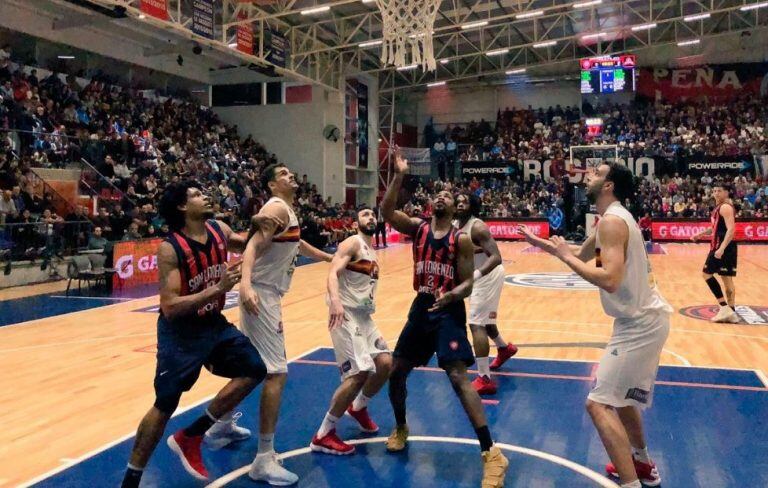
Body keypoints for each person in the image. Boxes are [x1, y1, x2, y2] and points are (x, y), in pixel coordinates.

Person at [520, 162, 671, 488]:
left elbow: (610, 280)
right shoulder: (609, 220)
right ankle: (642, 464)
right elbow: (578, 254)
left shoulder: (613, 223)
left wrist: (567, 256)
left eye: (597, 173)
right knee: (625, 399)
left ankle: (631, 483)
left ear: (608, 186)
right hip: (640, 320)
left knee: (598, 403)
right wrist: (545, 244)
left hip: (640, 324)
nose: (588, 175)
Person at [121, 181, 268, 487]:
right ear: (182, 207)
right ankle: (131, 480)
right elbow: (171, 306)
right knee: (166, 403)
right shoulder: (170, 248)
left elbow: (245, 245)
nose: (206, 196)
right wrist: (218, 288)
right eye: (198, 195)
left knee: (254, 368)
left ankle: (192, 434)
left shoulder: (220, 229)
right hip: (180, 333)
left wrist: (260, 224)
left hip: (213, 324)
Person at [381, 150, 508, 488]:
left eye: (447, 196)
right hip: (421, 306)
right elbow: (386, 212)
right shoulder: (418, 227)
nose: (441, 197)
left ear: (454, 209)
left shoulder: (461, 239)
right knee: (396, 373)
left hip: (448, 310)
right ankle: (401, 426)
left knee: (457, 376)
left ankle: (491, 454)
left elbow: (467, 284)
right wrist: (398, 175)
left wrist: (453, 294)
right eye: (437, 194)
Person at [239, 163, 333, 485]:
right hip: (262, 295)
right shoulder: (277, 207)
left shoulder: (286, 210)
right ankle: (264, 458)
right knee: (276, 372)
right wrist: (246, 284)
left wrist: (326, 257)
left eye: (292, 172)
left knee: (248, 365)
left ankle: (222, 423)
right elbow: (252, 245)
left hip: (266, 293)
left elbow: (296, 244)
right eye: (283, 174)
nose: (291, 175)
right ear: (271, 185)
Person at [310, 206, 393, 455]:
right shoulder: (352, 243)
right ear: (356, 221)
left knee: (385, 362)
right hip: (345, 315)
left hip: (364, 317)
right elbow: (333, 271)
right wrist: (335, 300)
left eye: (373, 215)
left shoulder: (372, 251)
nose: (371, 218)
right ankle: (323, 434)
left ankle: (358, 407)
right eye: (365, 214)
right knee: (358, 373)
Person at [454, 192, 517, 395]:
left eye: (465, 201)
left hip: (487, 276)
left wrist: (475, 275)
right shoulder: (455, 225)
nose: (460, 203)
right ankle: (504, 348)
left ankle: (485, 378)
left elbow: (497, 257)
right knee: (485, 320)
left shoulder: (477, 227)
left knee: (476, 324)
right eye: (458, 201)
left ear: (472, 206)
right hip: (476, 277)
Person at [691, 183, 739, 323]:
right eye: (714, 191)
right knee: (726, 279)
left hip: (722, 246)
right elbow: (715, 228)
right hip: (722, 246)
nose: (716, 193)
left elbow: (731, 230)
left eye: (719, 191)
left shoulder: (725, 207)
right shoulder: (718, 208)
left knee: (706, 273)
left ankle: (724, 308)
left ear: (726, 193)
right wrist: (700, 234)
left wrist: (721, 248)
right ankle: (731, 312)